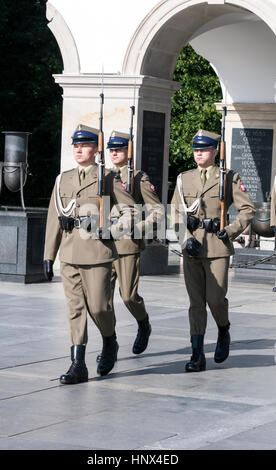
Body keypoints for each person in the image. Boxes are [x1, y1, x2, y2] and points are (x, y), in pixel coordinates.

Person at [43, 124, 135, 385]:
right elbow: (54, 218)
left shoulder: (107, 178)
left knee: (99, 307)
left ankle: (109, 340)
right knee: (75, 309)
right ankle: (78, 364)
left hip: (97, 252)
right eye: (76, 145)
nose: (79, 149)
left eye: (84, 145)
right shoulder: (63, 179)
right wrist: (49, 255)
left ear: (96, 150)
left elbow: (129, 211)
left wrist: (112, 230)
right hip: (70, 253)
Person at [171, 129, 255, 372]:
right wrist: (184, 238)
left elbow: (247, 209)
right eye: (196, 150)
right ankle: (197, 353)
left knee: (215, 299)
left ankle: (223, 328)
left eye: (204, 149)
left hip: (217, 245)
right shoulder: (183, 179)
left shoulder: (228, 177)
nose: (199, 153)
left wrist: (230, 230)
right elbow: (175, 212)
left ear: (215, 151)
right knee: (196, 303)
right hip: (192, 246)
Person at [98, 130, 164, 357]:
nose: (114, 153)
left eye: (119, 149)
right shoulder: (102, 176)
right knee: (103, 300)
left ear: (129, 151)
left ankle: (143, 323)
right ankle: (109, 344)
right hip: (105, 243)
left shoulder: (138, 178)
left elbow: (157, 211)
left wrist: (139, 228)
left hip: (127, 243)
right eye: (112, 149)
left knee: (128, 296)